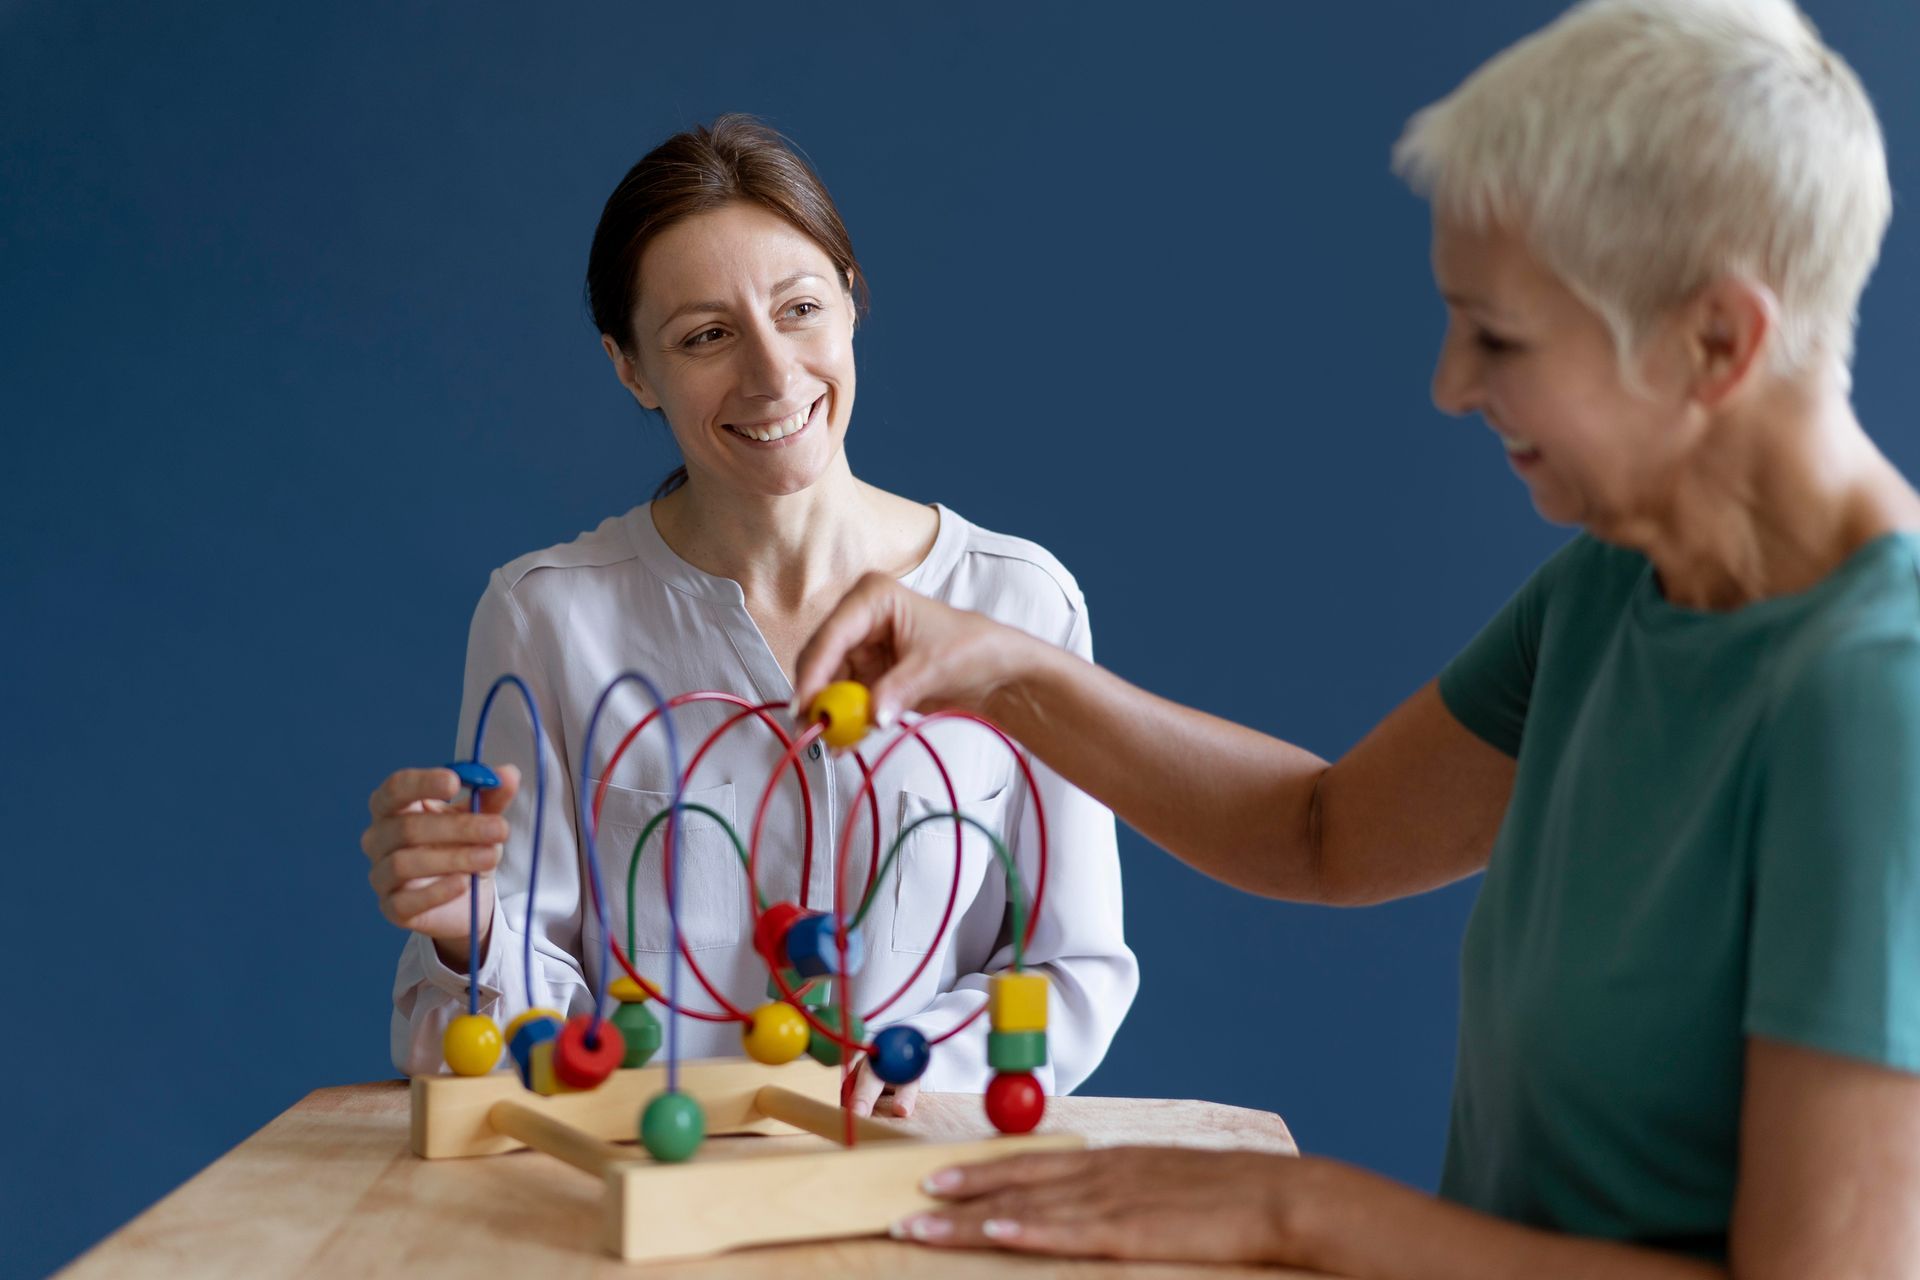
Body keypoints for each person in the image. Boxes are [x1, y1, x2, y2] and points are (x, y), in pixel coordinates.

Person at [792, 0, 1920, 1271]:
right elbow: (1322, 830)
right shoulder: (1618, 584)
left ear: (1718, 337)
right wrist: (995, 665)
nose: (1449, 383)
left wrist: (1299, 1209)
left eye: (1498, 335)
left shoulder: (1881, 701)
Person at [360, 116, 1137, 1116]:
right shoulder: (545, 616)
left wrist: (900, 1069)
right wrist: (465, 933)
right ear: (630, 367)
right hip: (636, 1221)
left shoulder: (1017, 603)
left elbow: (1071, 969)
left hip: (918, 1209)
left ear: (853, 304)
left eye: (801, 308)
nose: (772, 375)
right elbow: (496, 1042)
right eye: (706, 336)